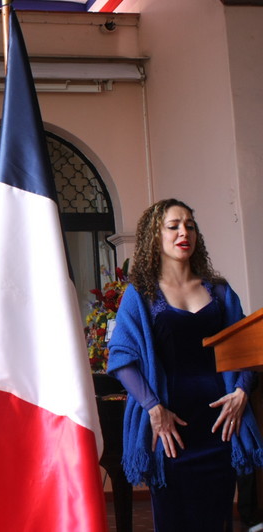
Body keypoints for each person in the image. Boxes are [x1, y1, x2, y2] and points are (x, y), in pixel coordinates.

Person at [107, 198, 263, 531]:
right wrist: (153, 408)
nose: (184, 232)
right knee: (174, 519)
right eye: (174, 226)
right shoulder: (141, 294)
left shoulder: (219, 292)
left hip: (221, 425)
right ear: (155, 236)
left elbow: (250, 349)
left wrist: (241, 392)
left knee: (216, 519)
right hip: (170, 428)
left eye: (190, 225)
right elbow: (121, 359)